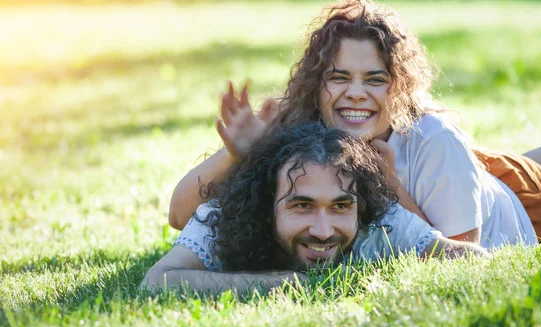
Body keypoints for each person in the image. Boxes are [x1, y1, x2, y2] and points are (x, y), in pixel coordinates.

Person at [168, 0, 541, 247]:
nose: (355, 92)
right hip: (470, 177)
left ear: (400, 88)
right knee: (483, 167)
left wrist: (389, 183)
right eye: (339, 77)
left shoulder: (435, 141)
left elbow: (458, 258)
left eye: (375, 80)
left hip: (533, 209)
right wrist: (242, 155)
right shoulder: (304, 129)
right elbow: (180, 212)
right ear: (316, 86)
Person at [141, 123, 491, 294]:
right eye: (302, 205)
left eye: (340, 206)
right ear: (267, 205)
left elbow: (471, 258)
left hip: (511, 194)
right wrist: (282, 283)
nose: (323, 231)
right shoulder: (224, 218)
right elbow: (156, 281)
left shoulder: (378, 223)